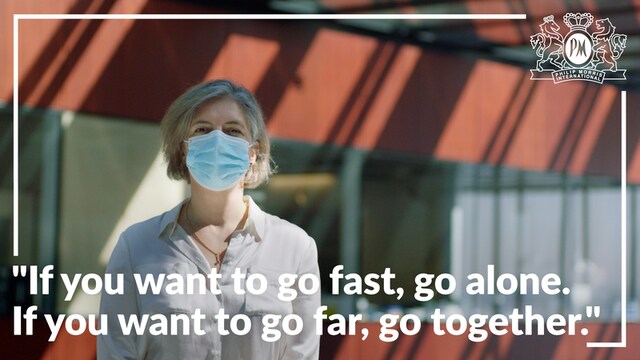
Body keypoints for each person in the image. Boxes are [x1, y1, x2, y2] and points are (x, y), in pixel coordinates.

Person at [98, 80, 321, 359]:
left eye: (233, 131)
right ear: (184, 149)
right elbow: (116, 351)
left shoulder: (295, 248)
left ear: (253, 153)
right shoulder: (135, 246)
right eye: (202, 130)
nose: (218, 140)